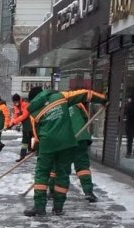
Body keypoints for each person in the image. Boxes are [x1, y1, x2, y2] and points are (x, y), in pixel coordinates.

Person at [25, 87, 106, 217]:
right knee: (62, 173)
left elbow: (36, 133)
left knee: (42, 174)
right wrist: (103, 99)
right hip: (66, 142)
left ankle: (39, 207)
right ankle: (58, 208)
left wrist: (39, 147)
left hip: (47, 143)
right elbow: (85, 94)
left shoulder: (33, 110)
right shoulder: (60, 96)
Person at [47, 103, 99, 202]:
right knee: (82, 166)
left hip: (64, 139)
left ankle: (52, 191)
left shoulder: (53, 108)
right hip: (80, 138)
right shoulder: (78, 104)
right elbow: (85, 118)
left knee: (58, 165)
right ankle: (88, 192)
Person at [10, 93, 34, 162]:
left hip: (31, 123)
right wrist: (11, 123)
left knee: (32, 138)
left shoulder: (25, 104)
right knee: (25, 140)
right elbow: (15, 116)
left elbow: (25, 115)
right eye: (14, 102)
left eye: (16, 102)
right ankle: (22, 155)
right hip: (25, 126)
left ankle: (32, 150)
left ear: (19, 100)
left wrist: (14, 122)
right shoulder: (16, 107)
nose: (15, 103)